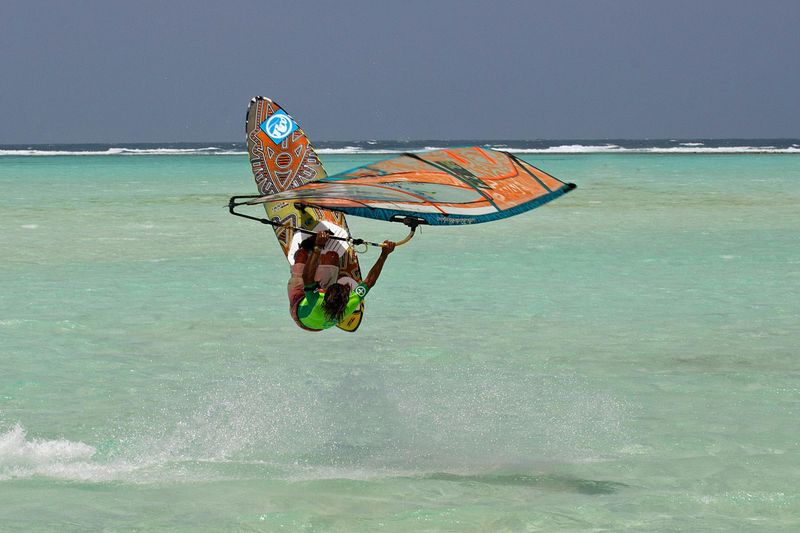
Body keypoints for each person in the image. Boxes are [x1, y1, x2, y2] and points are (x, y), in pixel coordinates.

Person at [287, 230, 395, 331]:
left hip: (299, 306)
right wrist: (384, 255)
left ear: (324, 295)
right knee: (332, 256)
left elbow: (307, 278)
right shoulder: (348, 304)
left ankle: (307, 248)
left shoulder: (316, 301)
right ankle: (322, 267)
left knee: (301, 254)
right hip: (319, 320)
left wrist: (318, 246)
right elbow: (369, 282)